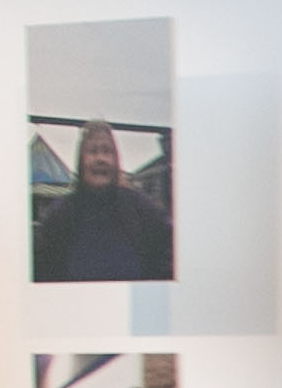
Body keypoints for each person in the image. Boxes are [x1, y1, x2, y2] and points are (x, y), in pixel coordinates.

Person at [32, 120, 175, 281]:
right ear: (81, 162)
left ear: (116, 160)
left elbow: (170, 254)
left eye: (107, 151)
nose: (100, 159)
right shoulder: (60, 216)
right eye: (93, 151)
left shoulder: (143, 210)